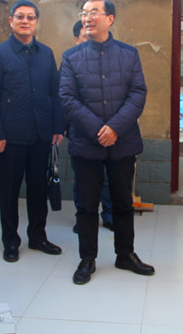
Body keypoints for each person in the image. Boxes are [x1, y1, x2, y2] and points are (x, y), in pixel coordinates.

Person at [60, 0, 154, 285]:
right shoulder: (71, 57)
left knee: (123, 203)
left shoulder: (129, 54)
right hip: (86, 143)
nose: (87, 18)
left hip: (122, 142)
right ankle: (87, 258)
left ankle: (125, 254)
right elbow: (67, 97)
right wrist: (97, 129)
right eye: (84, 13)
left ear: (110, 19)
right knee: (87, 206)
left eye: (94, 13)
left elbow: (137, 93)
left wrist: (114, 128)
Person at [0, 0, 64, 263]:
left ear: (37, 22)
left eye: (30, 17)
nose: (25, 21)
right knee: (9, 191)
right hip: (10, 137)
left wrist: (57, 126)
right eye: (20, 16)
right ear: (11, 21)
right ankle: (10, 242)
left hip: (41, 135)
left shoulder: (46, 53)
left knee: (38, 190)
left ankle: (38, 237)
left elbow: (55, 93)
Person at [70, 20, 113, 233]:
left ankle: (109, 215)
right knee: (82, 181)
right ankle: (84, 218)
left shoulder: (110, 61)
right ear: (76, 40)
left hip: (108, 131)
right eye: (85, 37)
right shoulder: (70, 62)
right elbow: (65, 99)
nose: (89, 41)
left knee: (106, 179)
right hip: (81, 132)